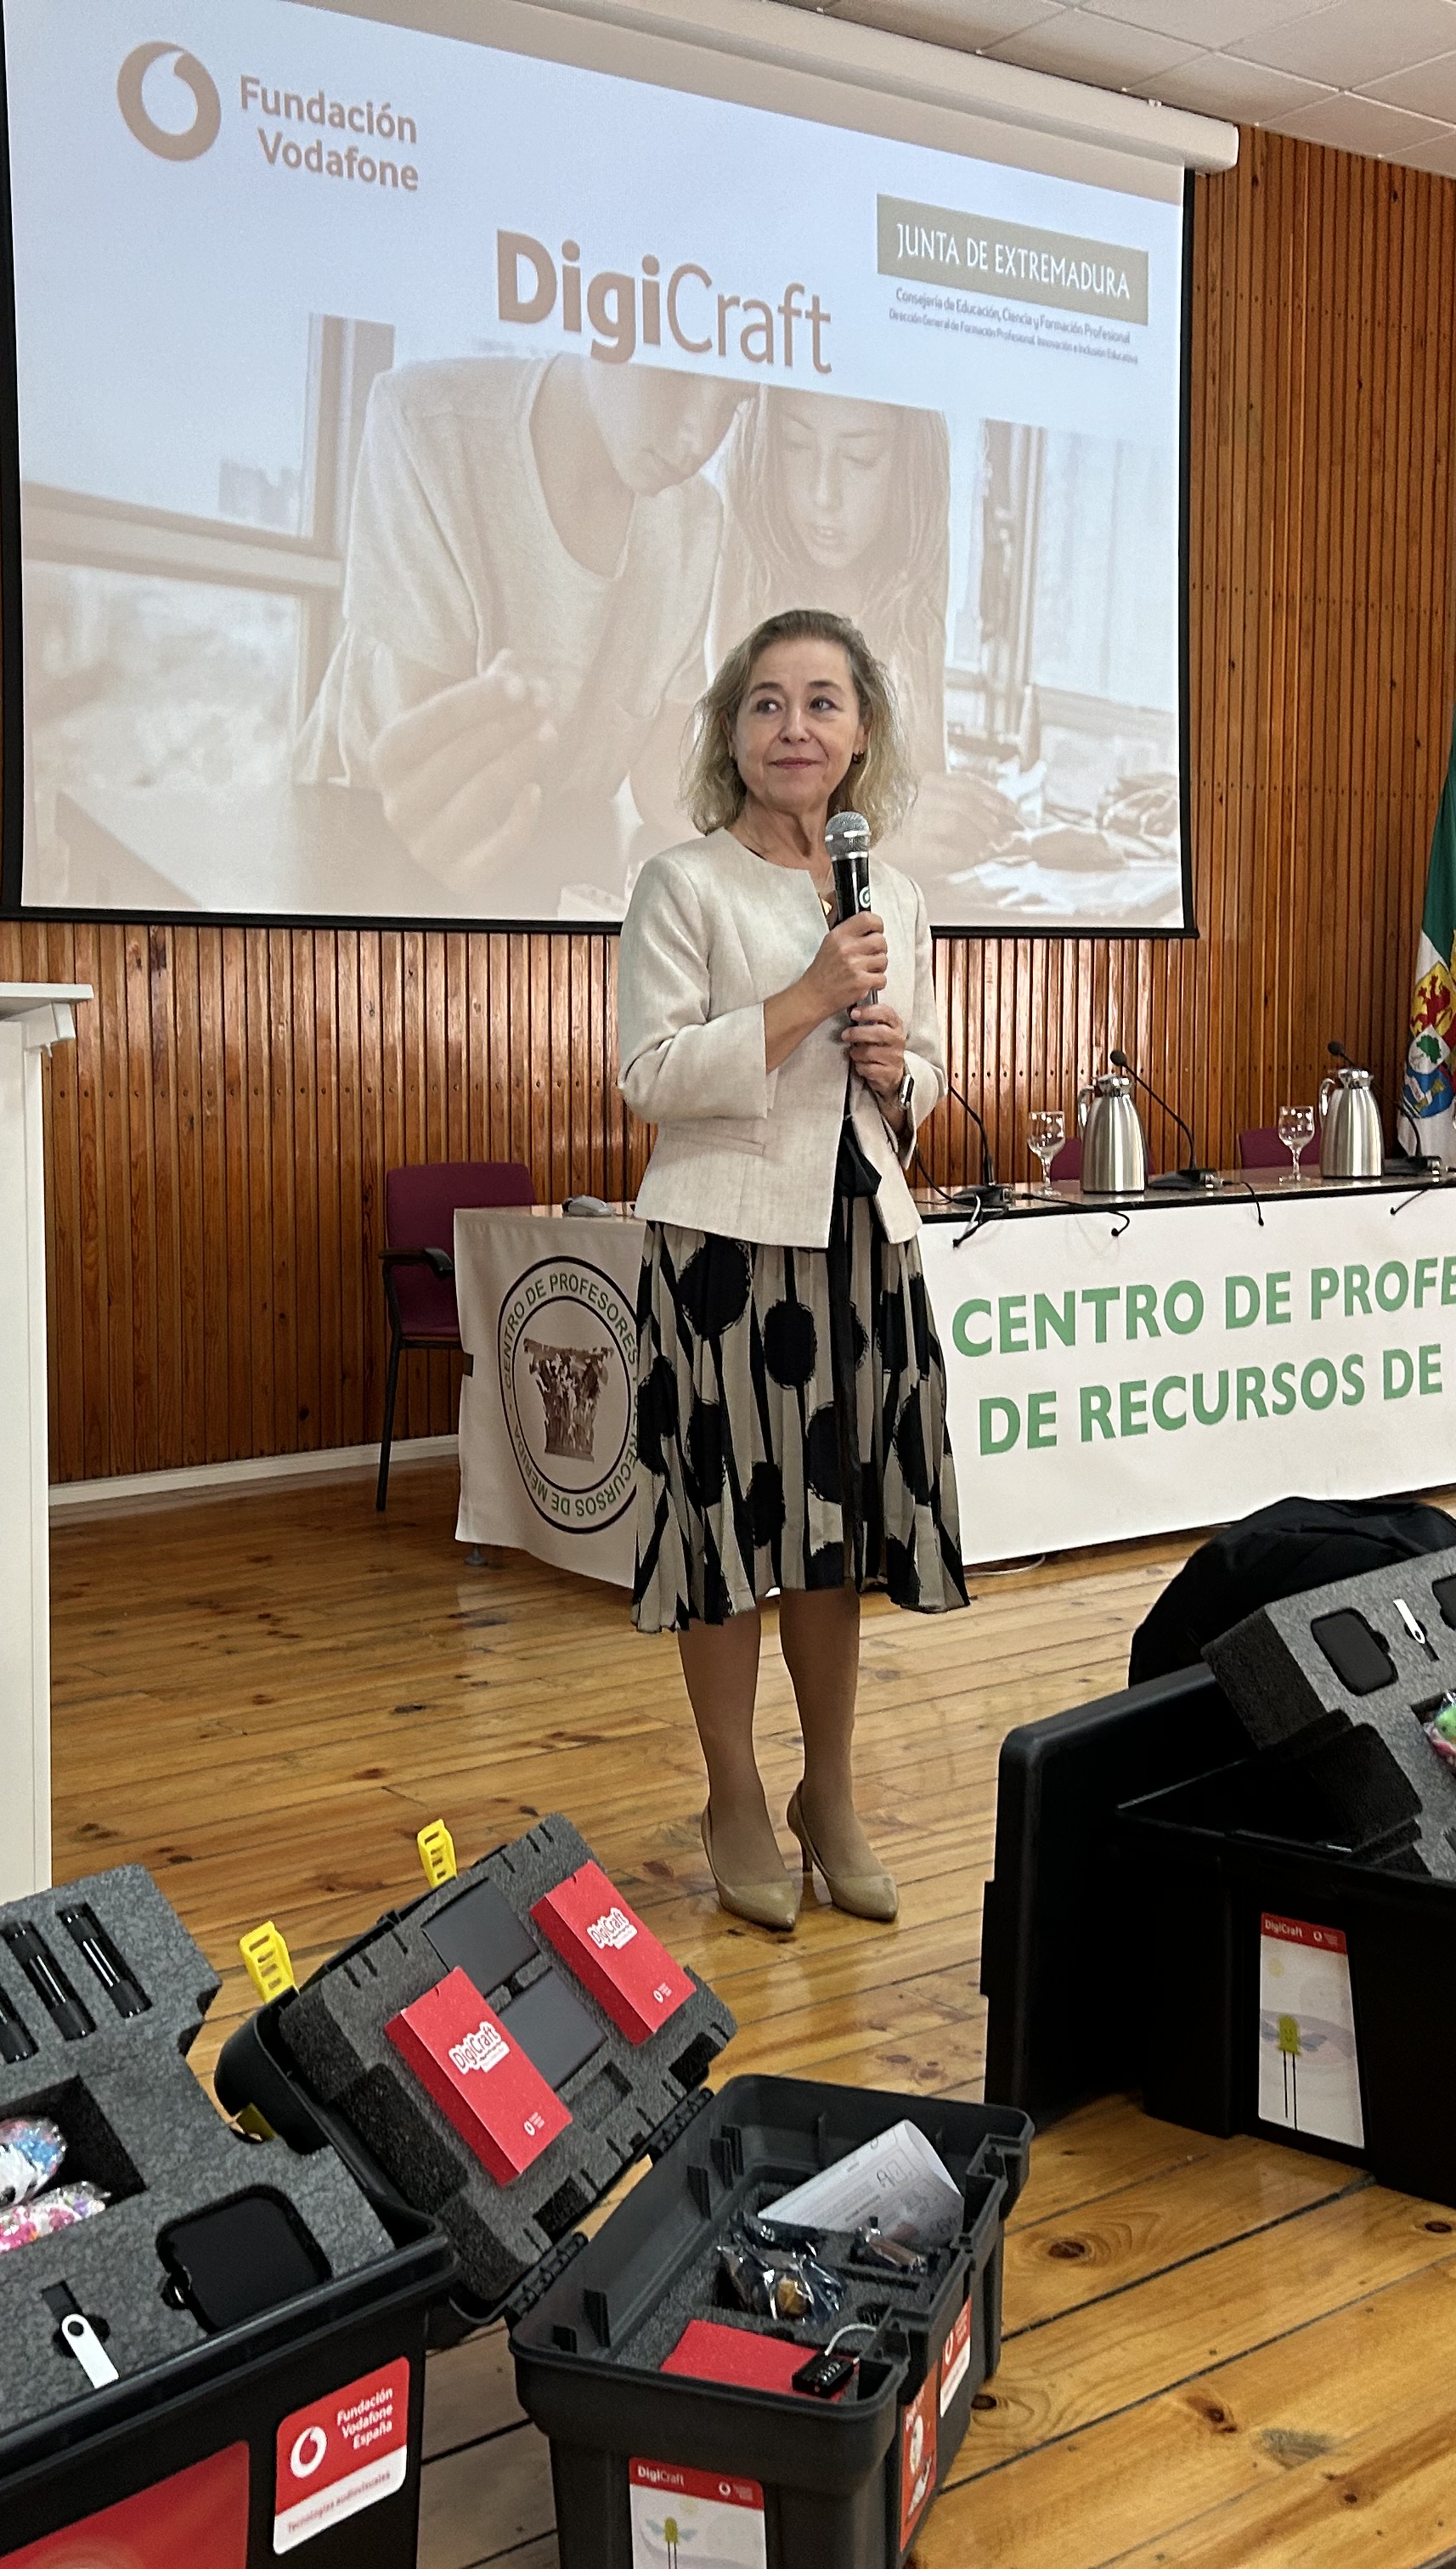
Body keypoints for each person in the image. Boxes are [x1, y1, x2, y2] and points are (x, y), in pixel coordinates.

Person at [614, 606, 968, 1933]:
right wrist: (808, 998)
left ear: (861, 730)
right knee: (726, 1541)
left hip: (858, 1245)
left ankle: (832, 1791)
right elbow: (650, 1077)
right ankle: (734, 1796)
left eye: (822, 702)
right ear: (733, 733)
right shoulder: (685, 884)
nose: (795, 728)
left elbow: (916, 1066)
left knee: (831, 1538)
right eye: (768, 704)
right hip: (722, 1254)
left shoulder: (897, 893)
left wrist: (905, 1075)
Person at [296, 352, 748, 909]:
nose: (698, 439)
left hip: (536, 886)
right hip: (349, 869)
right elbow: (434, 794)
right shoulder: (427, 423)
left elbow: (665, 779)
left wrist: (769, 834)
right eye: (678, 372)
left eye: (731, 402)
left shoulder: (700, 520)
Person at [709, 388, 1015, 881]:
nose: (823, 495)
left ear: (907, 470)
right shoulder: (728, 539)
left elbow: (922, 776)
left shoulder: (912, 568)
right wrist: (880, 833)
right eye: (795, 444)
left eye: (860, 457)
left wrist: (1015, 836)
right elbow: (712, 792)